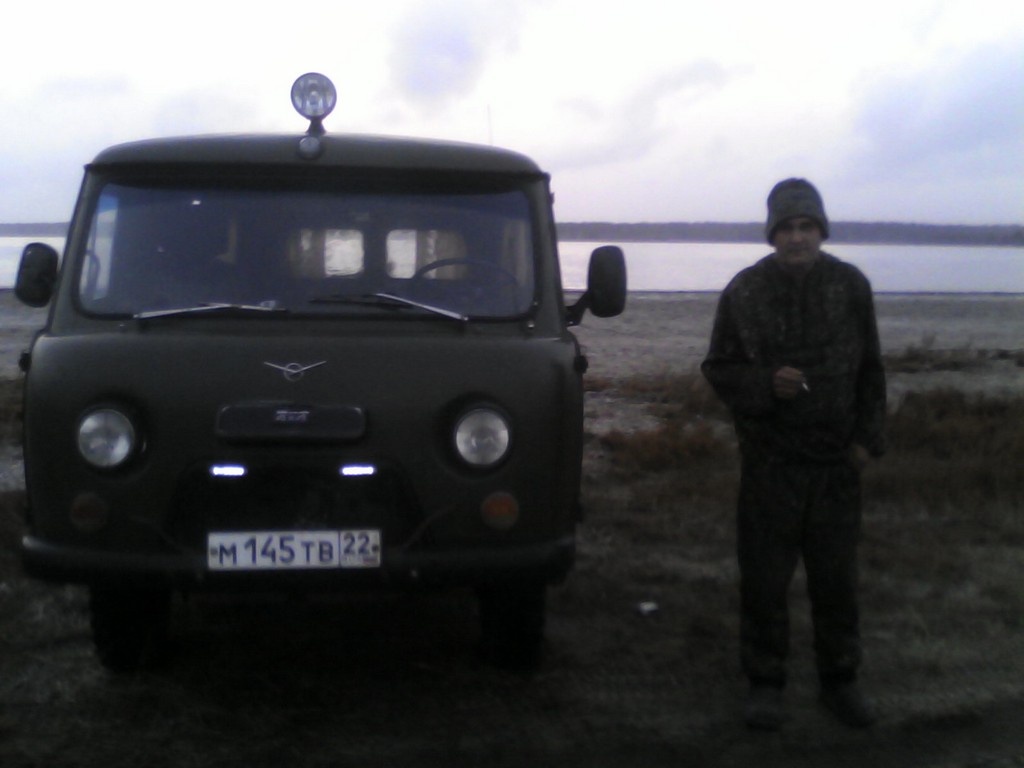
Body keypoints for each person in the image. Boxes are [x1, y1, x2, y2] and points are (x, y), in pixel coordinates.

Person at [701, 178, 886, 730]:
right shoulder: (745, 291)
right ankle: (765, 683)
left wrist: (866, 442)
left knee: (836, 582)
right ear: (772, 234)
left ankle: (840, 680)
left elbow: (871, 371)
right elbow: (719, 369)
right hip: (771, 469)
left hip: (835, 467)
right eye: (787, 227)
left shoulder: (851, 286)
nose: (797, 237)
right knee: (764, 583)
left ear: (821, 231)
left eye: (807, 226)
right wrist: (764, 384)